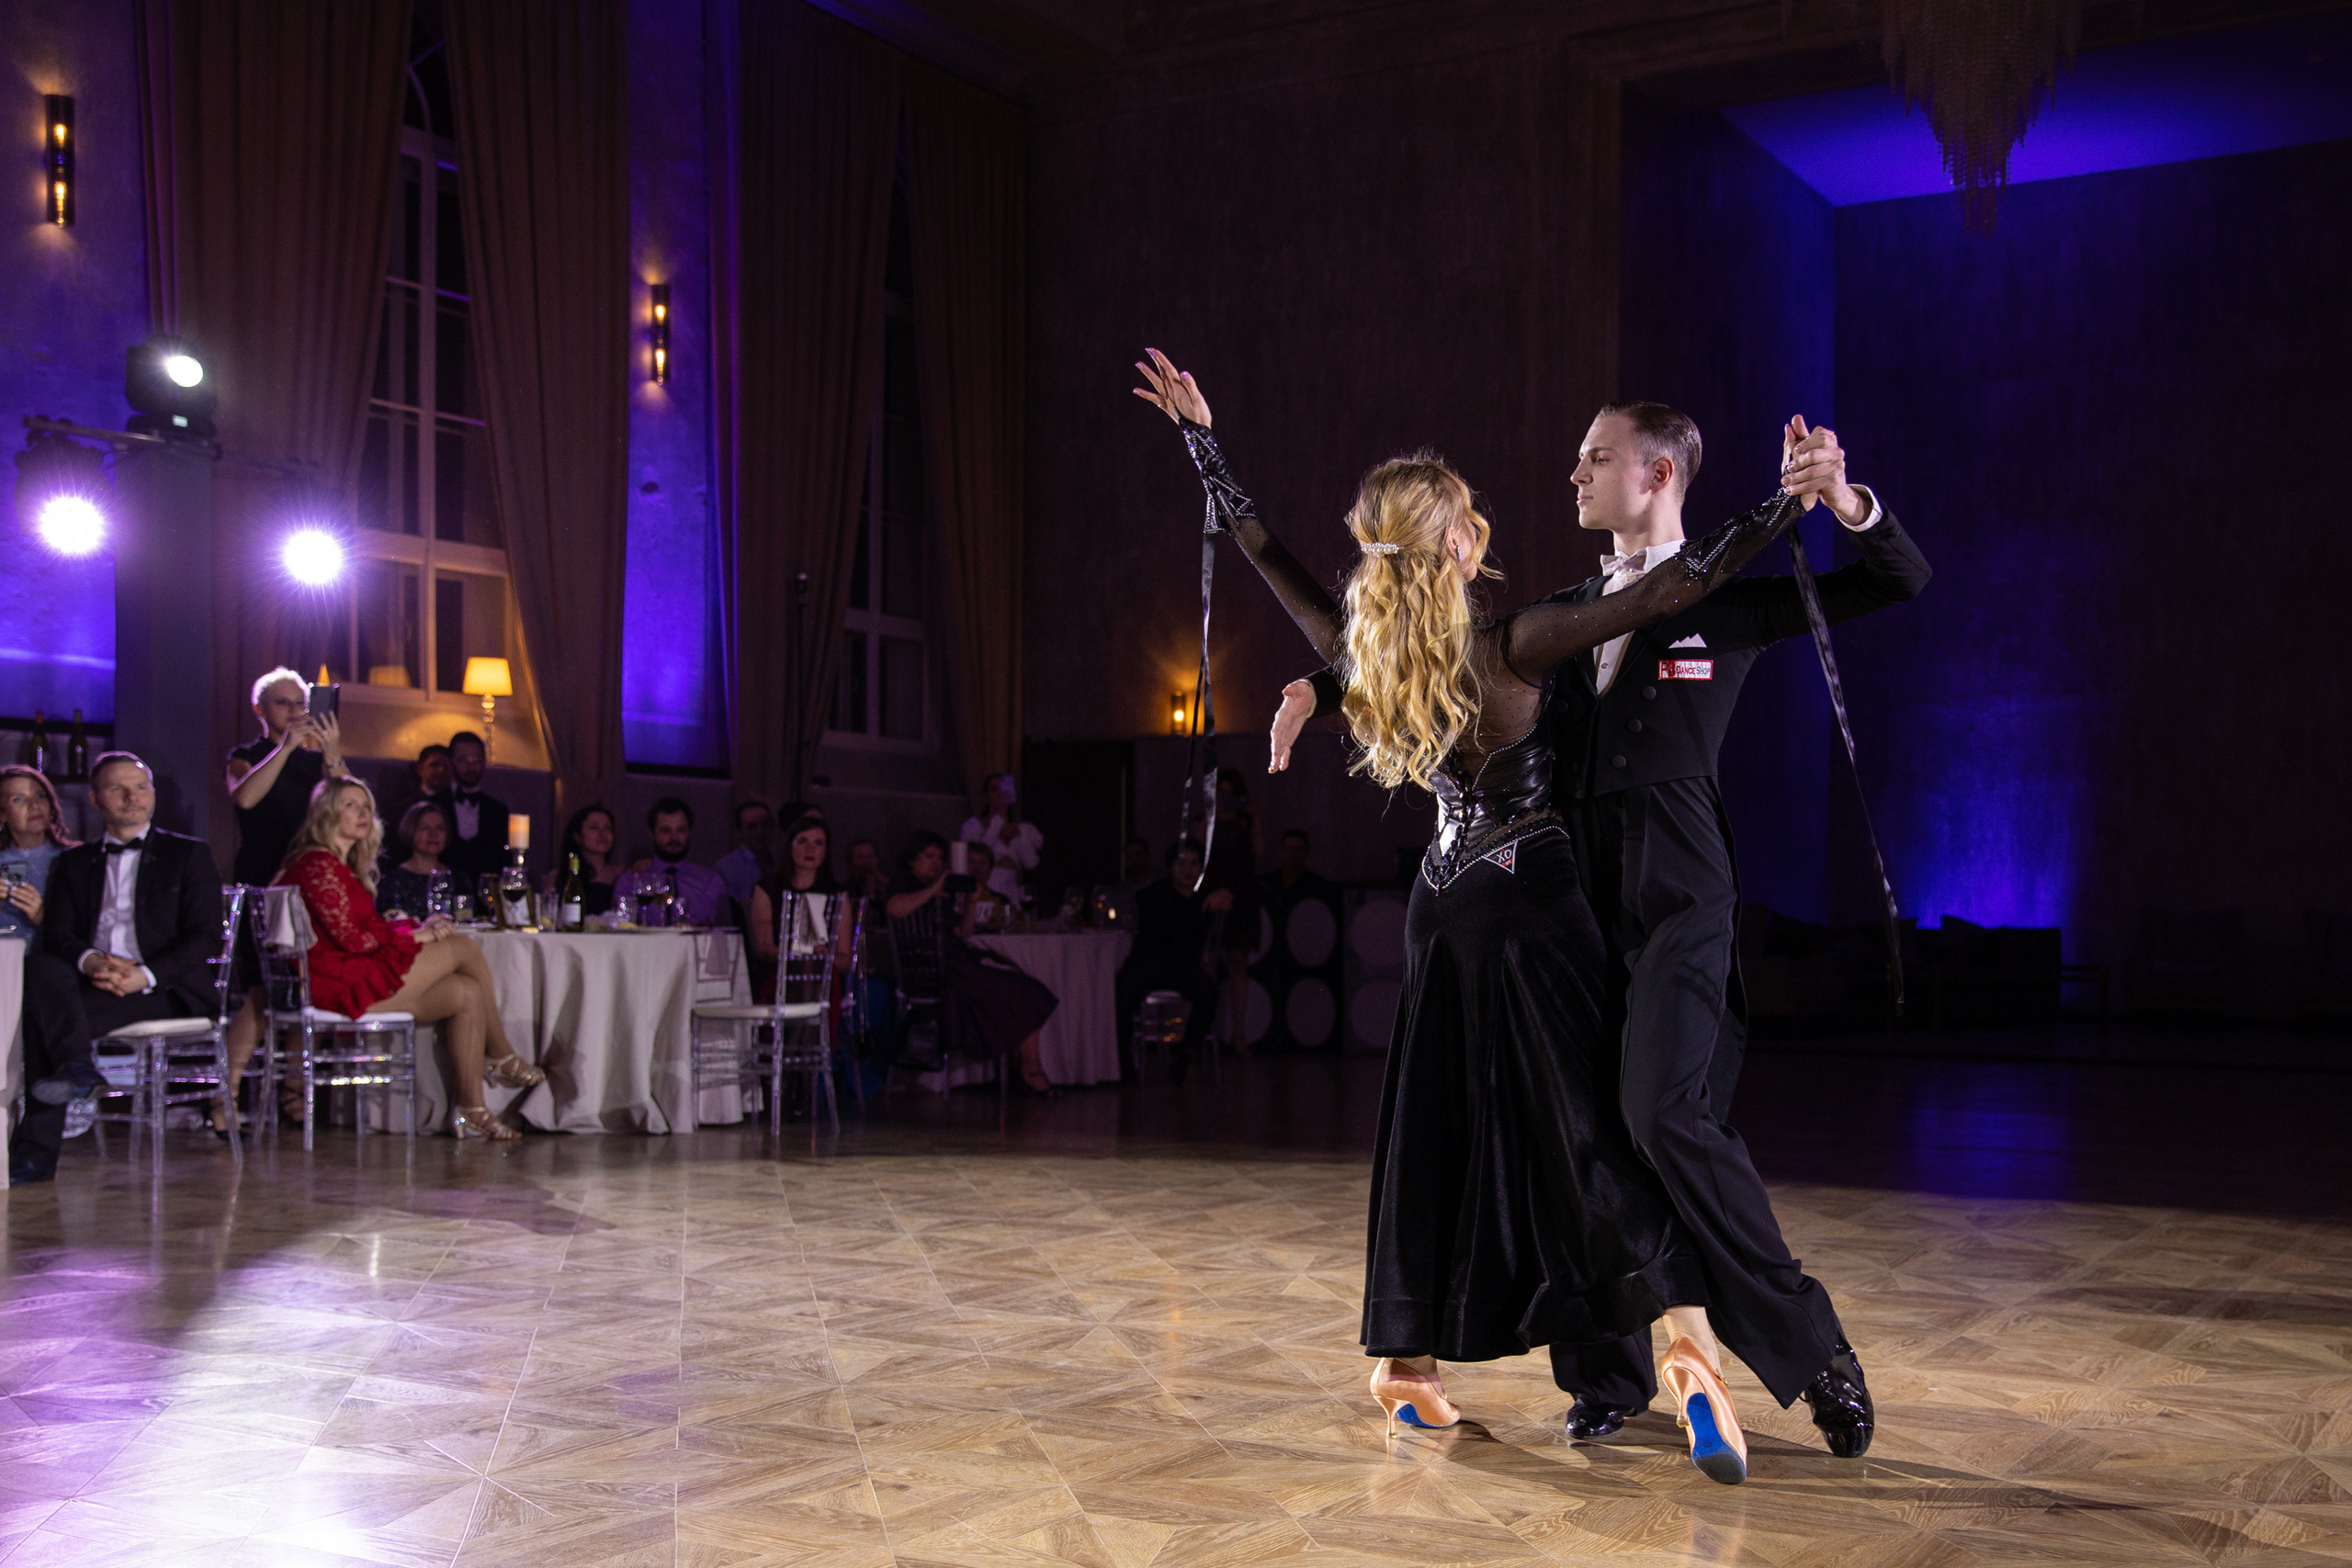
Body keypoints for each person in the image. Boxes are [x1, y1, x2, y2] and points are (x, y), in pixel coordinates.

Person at [1136, 345, 1806, 1483]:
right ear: (1456, 543)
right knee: (1596, 1131)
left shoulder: (1364, 647)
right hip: (1534, 905)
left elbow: (1258, 546)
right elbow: (1670, 590)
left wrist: (1203, 439)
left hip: (1437, 911)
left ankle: (1405, 1367)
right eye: (1474, 519)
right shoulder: (1513, 644)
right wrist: (1780, 506)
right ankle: (1689, 1347)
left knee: (1430, 1134)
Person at [1272, 405, 1927, 1457]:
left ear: (1659, 472)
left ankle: (1813, 1356)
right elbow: (1433, 663)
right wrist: (1322, 680)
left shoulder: (1729, 602)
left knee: (1660, 1118)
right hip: (1567, 901)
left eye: (1596, 456)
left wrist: (1838, 503)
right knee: (1568, 1128)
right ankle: (1606, 1377)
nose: (1571, 470)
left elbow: (1892, 581)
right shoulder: (1558, 611)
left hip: (1676, 899)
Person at [275, 775, 545, 1141]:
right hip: (335, 982)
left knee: (465, 991)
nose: (363, 814)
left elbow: (370, 930)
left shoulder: (340, 865)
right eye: (350, 805)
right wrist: (418, 934)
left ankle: (473, 1109)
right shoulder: (318, 864)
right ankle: (501, 1055)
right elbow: (352, 939)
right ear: (327, 812)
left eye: (367, 807)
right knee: (464, 948)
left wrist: (413, 929)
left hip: (350, 969)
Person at [10, 754, 224, 1185]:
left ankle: (37, 1153)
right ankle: (77, 1066)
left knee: (43, 1017)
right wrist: (92, 962)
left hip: (167, 987)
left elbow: (204, 938)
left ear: (153, 795)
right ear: (94, 799)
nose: (132, 798)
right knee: (41, 971)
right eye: (117, 789)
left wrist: (141, 975)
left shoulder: (188, 854)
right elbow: (60, 934)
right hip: (97, 980)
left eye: (140, 787)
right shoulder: (73, 863)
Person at [885, 829, 1058, 1095]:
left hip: (956, 959)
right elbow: (894, 909)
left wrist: (971, 903)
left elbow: (963, 933)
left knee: (1025, 987)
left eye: (939, 858)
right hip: (932, 970)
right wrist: (934, 890)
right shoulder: (904, 882)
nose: (935, 862)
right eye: (929, 856)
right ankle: (1030, 1071)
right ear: (912, 859)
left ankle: (1029, 1069)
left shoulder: (941, 892)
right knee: (1016, 991)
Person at [1114, 838, 1229, 1082]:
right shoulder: (1151, 896)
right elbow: (1160, 930)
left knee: (1208, 992)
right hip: (1149, 964)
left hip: (1183, 967)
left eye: (1194, 863)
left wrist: (1226, 894)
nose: (1187, 869)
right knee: (1122, 990)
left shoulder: (1206, 894)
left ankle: (1185, 1058)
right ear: (1169, 867)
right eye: (1181, 863)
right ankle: (1124, 1064)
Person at [1199, 767, 1263, 1053]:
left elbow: (1259, 851)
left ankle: (1238, 1034)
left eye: (1229, 793)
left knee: (1239, 965)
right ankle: (1201, 1034)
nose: (1225, 798)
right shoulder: (1205, 823)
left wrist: (1254, 815)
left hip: (1242, 897)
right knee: (1206, 965)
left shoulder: (1245, 822)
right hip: (1212, 897)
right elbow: (1194, 858)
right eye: (1220, 792)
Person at [617, 798, 729, 926]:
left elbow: (724, 931)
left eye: (681, 830)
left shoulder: (710, 881)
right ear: (652, 834)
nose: (674, 838)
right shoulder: (632, 880)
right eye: (666, 831)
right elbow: (620, 927)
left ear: (689, 832)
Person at [0, 764, 75, 941]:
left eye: (40, 795)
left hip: (51, 962)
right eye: (18, 799)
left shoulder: (75, 859)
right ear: (2, 813)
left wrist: (44, 917)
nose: (34, 805)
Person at [431, 731, 509, 886]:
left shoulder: (498, 810)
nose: (470, 766)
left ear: (484, 762)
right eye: (462, 760)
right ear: (450, 762)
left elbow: (502, 861)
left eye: (476, 759)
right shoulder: (434, 806)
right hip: (442, 891)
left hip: (485, 899)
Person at [958, 773, 1039, 905]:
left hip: (1011, 891)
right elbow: (979, 854)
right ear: (986, 797)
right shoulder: (973, 827)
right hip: (984, 889)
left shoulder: (1023, 829)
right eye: (995, 789)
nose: (1000, 793)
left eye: (1004, 789)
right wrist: (998, 821)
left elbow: (1031, 863)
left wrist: (1015, 836)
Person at [376, 801, 455, 919]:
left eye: (440, 828)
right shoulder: (392, 882)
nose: (433, 834)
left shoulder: (459, 879)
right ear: (410, 831)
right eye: (424, 828)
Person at [558, 804, 623, 917]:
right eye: (594, 828)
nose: (602, 834)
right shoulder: (561, 877)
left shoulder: (622, 875)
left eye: (607, 828)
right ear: (578, 837)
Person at [716, 799, 777, 908]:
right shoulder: (726, 868)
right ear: (739, 832)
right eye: (752, 826)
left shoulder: (780, 864)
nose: (760, 832)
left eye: (765, 824)